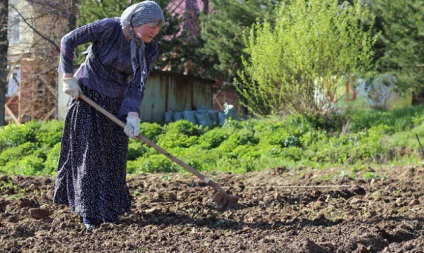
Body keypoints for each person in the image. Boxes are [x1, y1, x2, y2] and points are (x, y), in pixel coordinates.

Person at [53, 1, 165, 229]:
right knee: (90, 155)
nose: (155, 31)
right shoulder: (109, 28)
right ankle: (89, 213)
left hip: (117, 103)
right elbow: (68, 40)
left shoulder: (150, 48)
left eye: (158, 27)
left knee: (114, 156)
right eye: (151, 26)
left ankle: (109, 209)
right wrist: (67, 77)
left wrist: (133, 114)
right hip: (87, 96)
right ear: (135, 22)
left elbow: (137, 83)